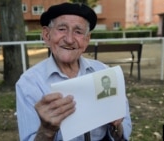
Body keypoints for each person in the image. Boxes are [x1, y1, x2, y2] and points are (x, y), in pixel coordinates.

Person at [15, 2, 132, 141]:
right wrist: (46, 131)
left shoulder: (104, 74)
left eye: (78, 32)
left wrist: (116, 126)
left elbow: (123, 134)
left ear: (86, 40)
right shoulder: (29, 83)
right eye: (62, 29)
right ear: (47, 35)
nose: (69, 39)